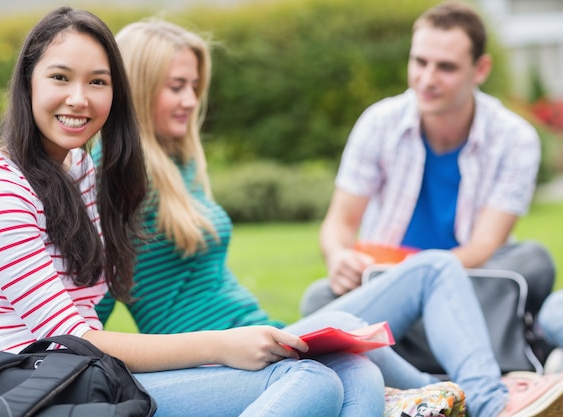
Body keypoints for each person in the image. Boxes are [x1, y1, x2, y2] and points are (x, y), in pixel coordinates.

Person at [92, 16, 563, 417]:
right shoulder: (114, 178)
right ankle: (480, 400)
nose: (192, 100)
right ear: (141, 85)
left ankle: (436, 397)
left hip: (257, 328)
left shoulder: (177, 164)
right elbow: (87, 310)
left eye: (195, 86)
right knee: (416, 280)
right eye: (177, 87)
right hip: (215, 353)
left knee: (356, 360)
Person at [0, 7, 392, 417]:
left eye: (98, 82)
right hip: (36, 389)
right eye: (60, 77)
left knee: (356, 371)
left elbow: (91, 313)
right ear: (27, 82)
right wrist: (219, 346)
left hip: (93, 375)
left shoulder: (79, 168)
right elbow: (74, 338)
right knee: (312, 381)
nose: (79, 99)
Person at [298, 1, 555, 321]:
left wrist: (413, 278)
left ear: (481, 70)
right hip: (386, 280)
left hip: (466, 278)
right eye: (420, 62)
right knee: (318, 299)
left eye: (446, 67)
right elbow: (340, 223)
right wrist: (339, 256)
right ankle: (458, 339)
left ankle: (397, 342)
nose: (427, 79)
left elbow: (484, 246)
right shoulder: (378, 123)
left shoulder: (515, 138)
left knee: (533, 261)